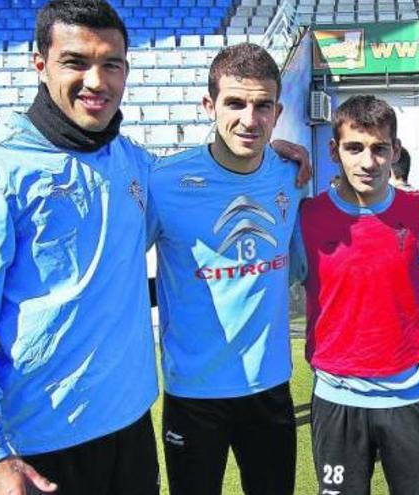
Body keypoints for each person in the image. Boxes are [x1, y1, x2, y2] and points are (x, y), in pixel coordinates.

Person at [0, 1, 159, 493]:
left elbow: (203, 187)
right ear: (40, 64)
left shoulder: (134, 163)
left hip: (132, 428)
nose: (96, 80)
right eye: (76, 62)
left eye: (111, 63)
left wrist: (268, 156)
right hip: (39, 447)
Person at [147, 43, 302, 495]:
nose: (249, 119)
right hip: (193, 394)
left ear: (277, 111)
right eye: (235, 103)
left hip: (269, 386)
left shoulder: (292, 173)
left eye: (262, 105)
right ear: (209, 105)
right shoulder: (164, 182)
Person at [293, 95, 419, 495]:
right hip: (337, 398)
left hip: (410, 394)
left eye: (379, 148)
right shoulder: (307, 217)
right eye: (354, 148)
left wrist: (404, 318)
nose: (368, 162)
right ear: (334, 150)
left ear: (395, 151)